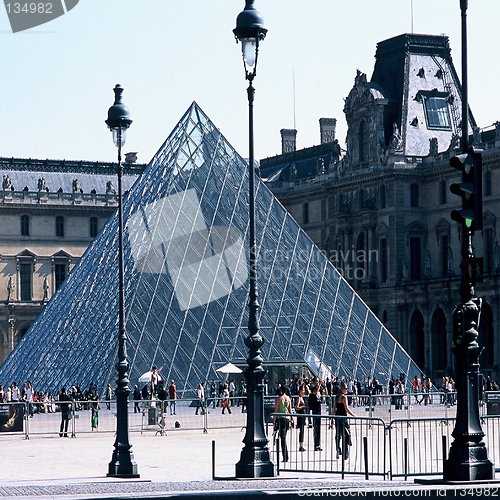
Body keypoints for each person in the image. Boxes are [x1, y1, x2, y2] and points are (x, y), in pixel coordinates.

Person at [333, 383, 355, 460]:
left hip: (337, 417)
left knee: (338, 435)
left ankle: (338, 449)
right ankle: (345, 454)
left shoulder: (336, 397)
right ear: (342, 389)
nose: (347, 390)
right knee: (345, 435)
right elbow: (346, 409)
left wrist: (332, 417)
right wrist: (354, 415)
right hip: (343, 418)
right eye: (345, 388)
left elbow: (334, 408)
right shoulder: (344, 397)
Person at [274, 384, 292, 462]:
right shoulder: (288, 398)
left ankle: (285, 456)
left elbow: (276, 410)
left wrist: (274, 420)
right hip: (287, 418)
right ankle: (285, 455)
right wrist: (292, 419)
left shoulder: (278, 399)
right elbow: (290, 410)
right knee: (284, 437)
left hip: (281, 419)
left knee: (282, 438)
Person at [308, 385, 322, 451]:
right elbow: (310, 405)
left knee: (318, 429)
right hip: (315, 412)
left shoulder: (318, 395)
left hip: (319, 413)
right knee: (315, 429)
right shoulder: (311, 396)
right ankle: (315, 445)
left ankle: (318, 444)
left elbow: (320, 401)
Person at [295, 387, 307, 452]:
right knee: (301, 431)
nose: (304, 391)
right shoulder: (299, 398)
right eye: (303, 390)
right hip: (300, 416)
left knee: (302, 431)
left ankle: (302, 445)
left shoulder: (302, 398)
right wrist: (302, 406)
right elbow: (297, 408)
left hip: (303, 416)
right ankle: (300, 445)